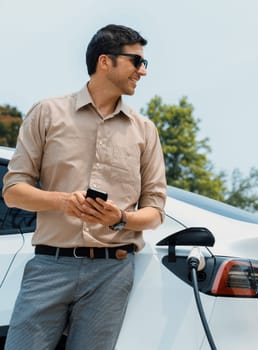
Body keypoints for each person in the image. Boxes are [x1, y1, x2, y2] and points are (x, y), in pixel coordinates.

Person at [3, 24, 167, 349]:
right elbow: (13, 191)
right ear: (105, 61)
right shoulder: (47, 114)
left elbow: (155, 212)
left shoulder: (145, 131)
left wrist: (119, 217)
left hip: (112, 272)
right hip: (50, 266)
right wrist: (63, 201)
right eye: (136, 61)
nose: (143, 71)